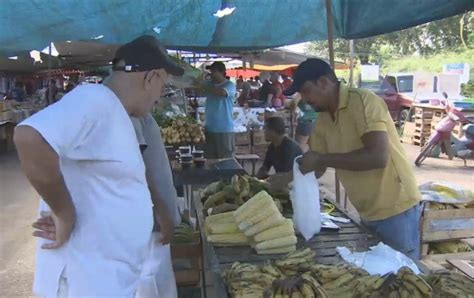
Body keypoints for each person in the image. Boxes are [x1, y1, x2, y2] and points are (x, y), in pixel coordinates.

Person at [14, 35, 184, 297]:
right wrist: (64, 212)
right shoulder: (95, 100)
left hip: (105, 280)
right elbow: (30, 137)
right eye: (163, 86)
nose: (159, 98)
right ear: (151, 78)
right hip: (84, 282)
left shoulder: (116, 113)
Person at [284, 58, 422, 260]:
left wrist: (322, 159)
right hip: (366, 211)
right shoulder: (322, 119)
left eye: (306, 91)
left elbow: (377, 157)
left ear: (323, 82)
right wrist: (288, 178)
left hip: (396, 209)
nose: (304, 99)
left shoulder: (363, 101)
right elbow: (316, 165)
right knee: (378, 281)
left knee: (403, 280)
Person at [197, 61, 236, 159]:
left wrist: (205, 86)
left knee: (225, 160)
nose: (211, 74)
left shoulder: (229, 85)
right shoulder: (209, 84)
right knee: (210, 160)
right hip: (209, 129)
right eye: (211, 71)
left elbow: (222, 92)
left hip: (224, 130)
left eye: (214, 71)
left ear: (222, 72)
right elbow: (197, 88)